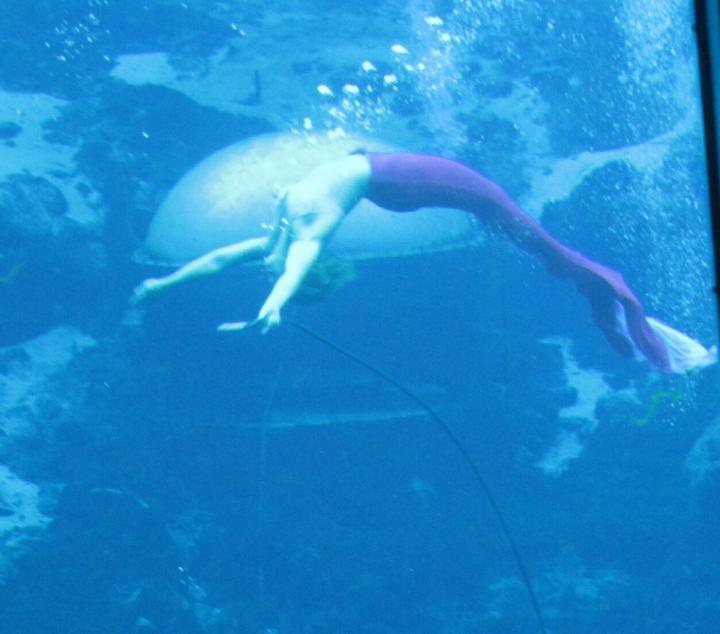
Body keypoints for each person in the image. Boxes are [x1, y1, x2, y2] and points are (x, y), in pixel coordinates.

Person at [131, 151, 716, 374]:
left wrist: (167, 286)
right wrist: (266, 308)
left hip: (411, 182)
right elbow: (267, 264)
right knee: (547, 251)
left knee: (548, 253)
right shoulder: (302, 228)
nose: (267, 265)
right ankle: (641, 327)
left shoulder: (290, 233)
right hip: (408, 181)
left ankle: (638, 324)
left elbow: (238, 262)